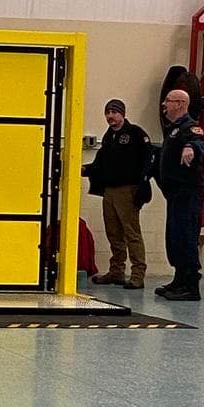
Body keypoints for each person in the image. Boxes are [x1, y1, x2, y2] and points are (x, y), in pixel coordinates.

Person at [82, 99, 152, 289]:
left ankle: (138, 274)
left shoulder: (135, 134)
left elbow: (148, 159)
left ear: (122, 113)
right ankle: (117, 271)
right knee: (113, 233)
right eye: (107, 112)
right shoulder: (108, 137)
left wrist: (143, 184)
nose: (110, 116)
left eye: (114, 112)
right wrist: (85, 169)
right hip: (109, 190)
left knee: (131, 233)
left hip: (127, 189)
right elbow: (100, 163)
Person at [155, 89, 204, 301]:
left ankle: (191, 286)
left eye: (167, 101)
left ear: (180, 104)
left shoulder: (190, 127)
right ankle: (179, 280)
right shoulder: (173, 128)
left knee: (186, 237)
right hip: (175, 194)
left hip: (188, 193)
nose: (164, 105)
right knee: (175, 237)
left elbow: (200, 142)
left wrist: (190, 148)